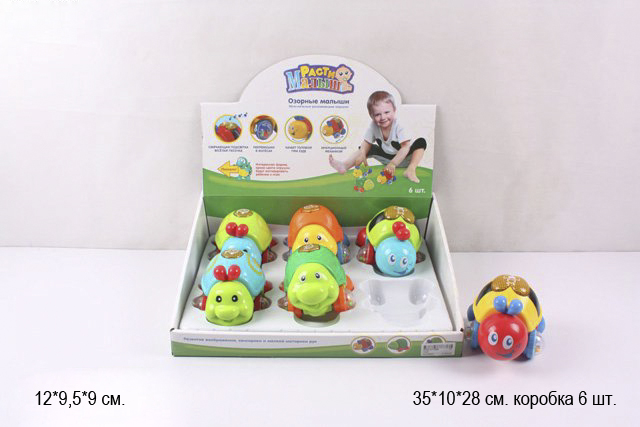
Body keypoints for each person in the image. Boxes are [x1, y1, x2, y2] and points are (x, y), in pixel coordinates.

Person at [329, 91, 426, 183]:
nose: (383, 117)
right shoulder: (373, 125)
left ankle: (411, 169)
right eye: (377, 114)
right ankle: (345, 165)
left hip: (404, 158)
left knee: (421, 142)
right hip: (386, 158)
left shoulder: (399, 125)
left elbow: (405, 147)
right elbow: (366, 142)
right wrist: (362, 153)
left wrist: (393, 164)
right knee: (365, 148)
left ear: (394, 110)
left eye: (387, 112)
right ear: (371, 116)